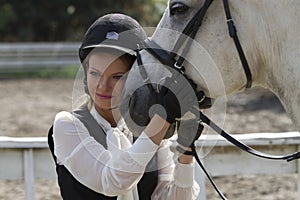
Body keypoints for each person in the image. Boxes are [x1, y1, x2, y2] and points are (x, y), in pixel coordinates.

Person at [48, 13, 202, 200]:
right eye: (95, 74)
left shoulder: (148, 129)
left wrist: (186, 153)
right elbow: (112, 181)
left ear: (136, 77)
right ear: (85, 73)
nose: (103, 86)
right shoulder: (67, 125)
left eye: (117, 77)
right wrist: (163, 118)